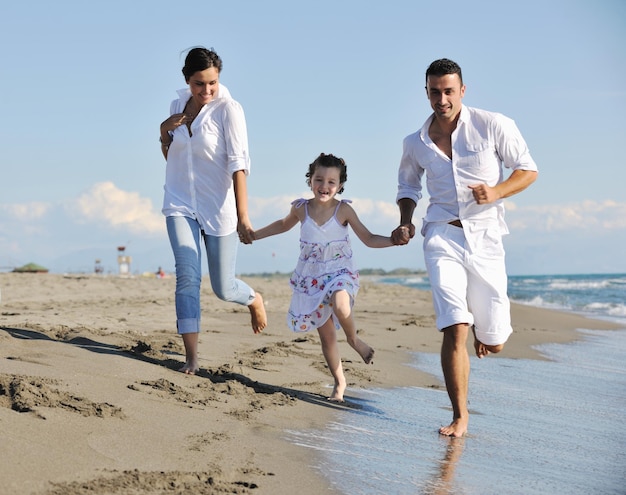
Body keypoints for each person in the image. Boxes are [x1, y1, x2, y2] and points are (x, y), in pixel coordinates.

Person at [392, 59, 538, 437]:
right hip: (442, 234)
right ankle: (460, 416)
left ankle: (482, 328)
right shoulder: (415, 143)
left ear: (462, 90)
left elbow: (527, 169)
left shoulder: (493, 125)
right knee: (454, 326)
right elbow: (408, 187)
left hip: (486, 237)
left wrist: (497, 191)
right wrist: (407, 220)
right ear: (425, 92)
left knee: (496, 341)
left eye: (448, 91)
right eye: (434, 91)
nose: (442, 99)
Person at [253, 153, 404, 402]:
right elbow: (282, 225)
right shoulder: (301, 209)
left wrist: (393, 241)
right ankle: (339, 382)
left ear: (340, 185)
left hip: (339, 273)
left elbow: (368, 238)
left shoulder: (344, 209)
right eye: (319, 179)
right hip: (312, 279)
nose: (324, 186)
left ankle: (354, 339)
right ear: (310, 180)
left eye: (331, 182)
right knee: (327, 336)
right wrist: (254, 235)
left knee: (342, 304)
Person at [159, 47, 267, 375]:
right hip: (179, 202)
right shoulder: (177, 106)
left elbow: (239, 165)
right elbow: (173, 155)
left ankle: (254, 299)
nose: (206, 91)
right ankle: (191, 357)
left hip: (219, 209)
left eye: (212, 83)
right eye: (198, 84)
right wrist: (164, 129)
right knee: (187, 275)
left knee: (223, 287)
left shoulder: (229, 110)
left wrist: (243, 216)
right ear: (186, 80)